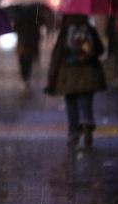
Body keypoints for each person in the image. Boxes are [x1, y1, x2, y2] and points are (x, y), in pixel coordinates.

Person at [44, 14, 106, 149]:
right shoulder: (89, 28)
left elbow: (56, 55)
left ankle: (73, 134)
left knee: (71, 101)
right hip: (89, 72)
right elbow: (100, 49)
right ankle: (87, 121)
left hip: (68, 74)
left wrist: (51, 78)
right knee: (86, 98)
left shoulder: (65, 31)